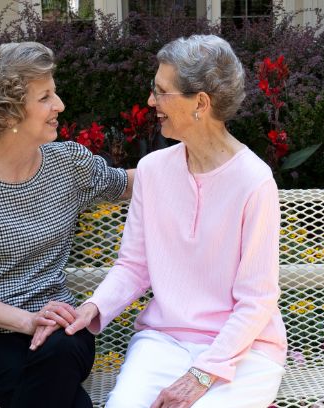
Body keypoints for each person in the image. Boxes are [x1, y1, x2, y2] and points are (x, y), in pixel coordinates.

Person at [65, 34, 287, 408]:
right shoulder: (153, 171)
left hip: (244, 349)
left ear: (200, 103)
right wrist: (94, 306)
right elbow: (134, 266)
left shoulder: (254, 181)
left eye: (161, 91)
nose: (152, 101)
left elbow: (256, 300)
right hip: (164, 340)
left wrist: (204, 374)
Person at [0, 41, 134, 408]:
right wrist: (27, 321)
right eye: (45, 97)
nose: (60, 106)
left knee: (61, 352)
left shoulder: (68, 164)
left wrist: (198, 159)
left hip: (63, 329)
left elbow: (127, 183)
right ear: (8, 114)